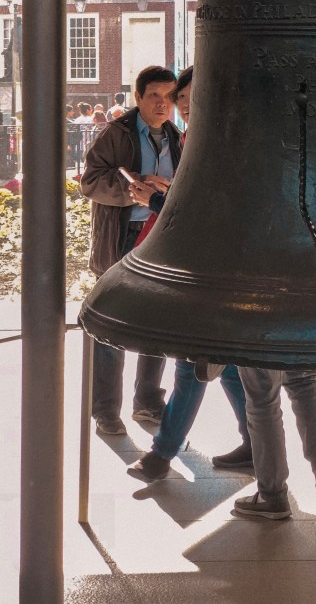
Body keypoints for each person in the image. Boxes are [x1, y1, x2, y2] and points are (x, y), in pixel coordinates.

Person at [126, 67, 254, 482]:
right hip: (213, 266)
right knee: (225, 365)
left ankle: (161, 455)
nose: (181, 106)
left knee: (192, 363)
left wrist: (158, 200)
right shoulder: (207, 141)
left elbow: (206, 216)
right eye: (180, 99)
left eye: (187, 98)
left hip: (212, 268)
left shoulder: (217, 145)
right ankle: (255, 443)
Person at [80, 65, 181, 436]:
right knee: (111, 324)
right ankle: (106, 411)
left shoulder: (177, 137)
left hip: (158, 236)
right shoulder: (116, 133)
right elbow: (89, 182)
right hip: (123, 237)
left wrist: (164, 191)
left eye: (169, 96)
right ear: (138, 98)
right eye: (153, 95)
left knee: (156, 322)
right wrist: (134, 186)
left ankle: (148, 402)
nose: (162, 103)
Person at [232, 367, 316, 519]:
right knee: (305, 384)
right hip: (307, 344)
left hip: (262, 345)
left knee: (263, 402)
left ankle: (272, 495)